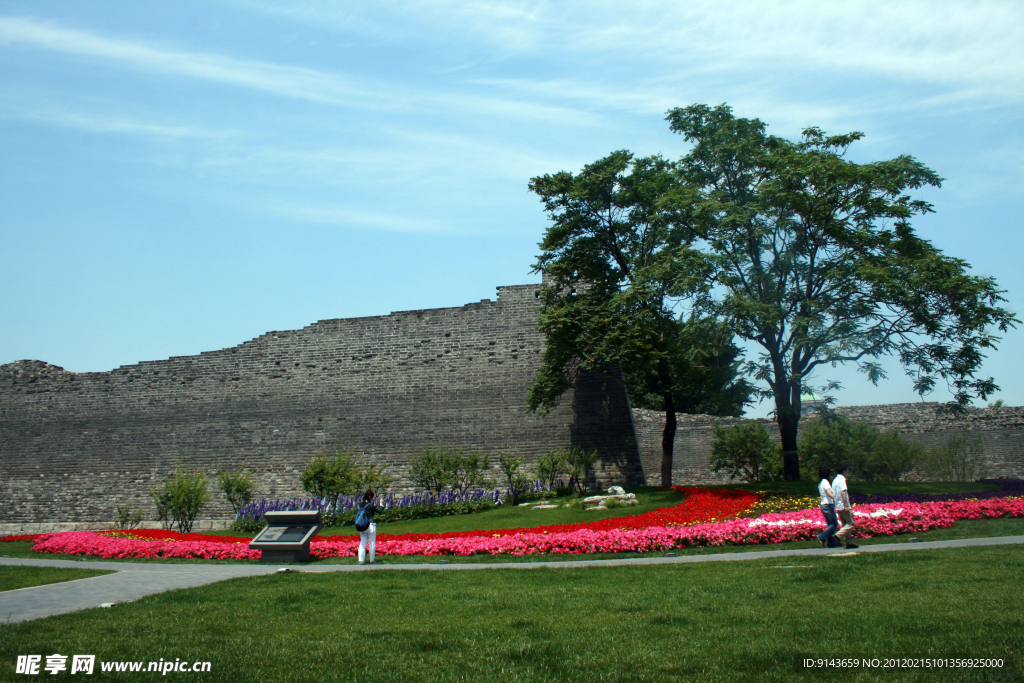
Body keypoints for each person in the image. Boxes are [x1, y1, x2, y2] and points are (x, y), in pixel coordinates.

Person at [831, 464, 859, 549]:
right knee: (850, 523)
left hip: (838, 505)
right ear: (844, 471)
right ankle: (837, 536)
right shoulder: (842, 480)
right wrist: (847, 506)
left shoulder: (835, 480)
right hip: (843, 505)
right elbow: (843, 493)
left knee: (845, 525)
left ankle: (849, 542)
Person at [815, 467, 840, 548]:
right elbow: (829, 493)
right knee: (834, 524)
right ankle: (822, 536)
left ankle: (831, 543)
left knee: (830, 525)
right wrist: (835, 498)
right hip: (828, 504)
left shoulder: (820, 482)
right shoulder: (826, 482)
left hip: (823, 504)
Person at [356, 489, 380, 564]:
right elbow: (379, 511)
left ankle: (361, 560)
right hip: (371, 525)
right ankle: (372, 560)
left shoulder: (360, 504)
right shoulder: (370, 505)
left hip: (362, 525)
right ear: (370, 497)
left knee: (362, 542)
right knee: (372, 543)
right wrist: (382, 504)